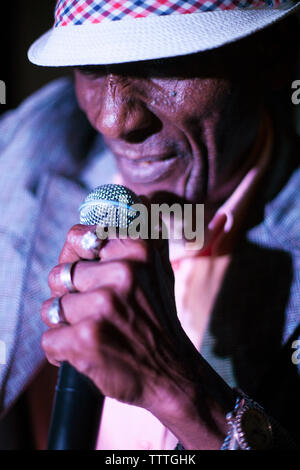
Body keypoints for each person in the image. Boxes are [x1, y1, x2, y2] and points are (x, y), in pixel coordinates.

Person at [0, 0, 299, 450]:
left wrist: (182, 391)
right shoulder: (26, 148)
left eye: (164, 62)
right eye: (91, 66)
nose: (113, 120)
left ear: (273, 53)